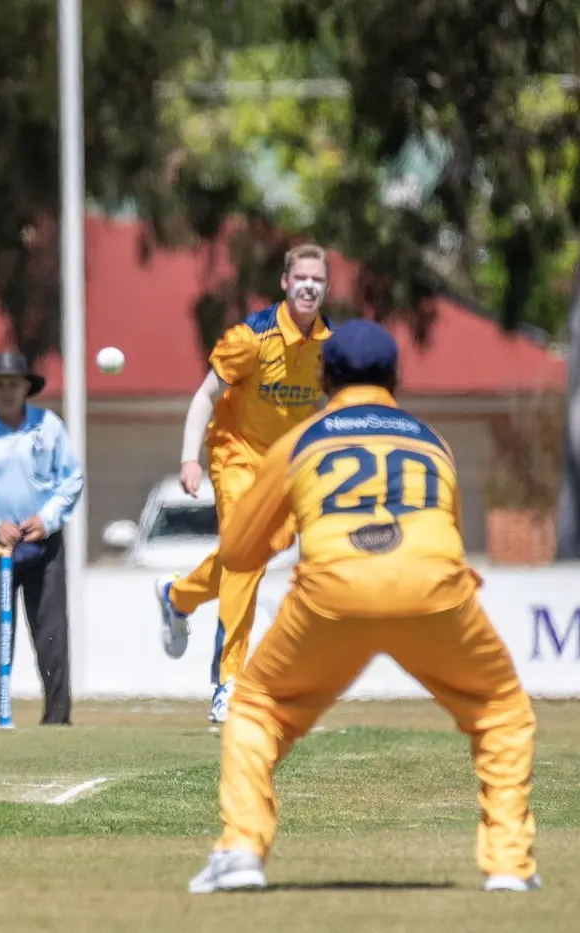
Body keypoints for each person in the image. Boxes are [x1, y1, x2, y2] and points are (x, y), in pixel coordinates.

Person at [188, 319, 539, 894]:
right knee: (500, 710)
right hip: (433, 588)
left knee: (255, 711)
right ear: (396, 377)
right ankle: (507, 866)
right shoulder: (431, 440)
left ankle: (240, 853)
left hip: (332, 590)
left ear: (325, 376)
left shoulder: (303, 438)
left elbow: (239, 549)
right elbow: (448, 529)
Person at [154, 244, 333, 725]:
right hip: (235, 455)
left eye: (318, 279)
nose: (309, 286)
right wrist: (190, 458)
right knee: (245, 552)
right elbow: (204, 397)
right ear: (285, 282)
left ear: (326, 287)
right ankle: (229, 683)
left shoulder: (328, 346)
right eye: (301, 278)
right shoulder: (251, 337)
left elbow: (328, 409)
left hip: (285, 469)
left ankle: (177, 597)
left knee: (254, 555)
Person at [0, 351, 85, 726]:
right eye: (0, 384)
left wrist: (47, 518)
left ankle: (57, 718)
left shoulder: (48, 427)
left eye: (14, 384)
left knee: (51, 632)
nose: (7, 391)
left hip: (43, 543)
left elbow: (71, 479)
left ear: (27, 388)